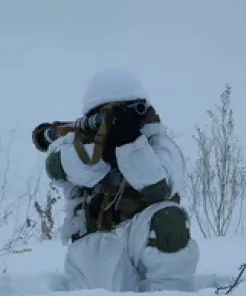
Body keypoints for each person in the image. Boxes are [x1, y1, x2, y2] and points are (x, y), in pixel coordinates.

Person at [41, 67, 200, 292]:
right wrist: (103, 148)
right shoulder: (74, 145)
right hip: (95, 249)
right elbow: (59, 167)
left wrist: (130, 143)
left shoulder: (159, 144)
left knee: (168, 219)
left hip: (141, 241)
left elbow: (159, 189)